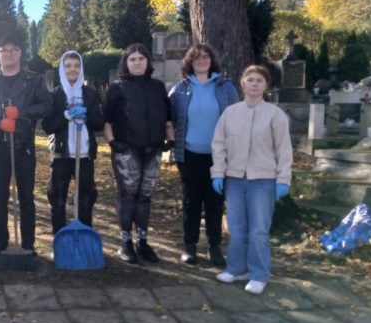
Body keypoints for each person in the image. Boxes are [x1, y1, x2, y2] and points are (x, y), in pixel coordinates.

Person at [211, 64, 293, 295]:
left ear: (266, 85)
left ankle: (259, 274)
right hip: (235, 180)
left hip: (263, 180)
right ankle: (236, 268)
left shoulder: (275, 114)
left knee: (259, 230)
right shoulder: (231, 113)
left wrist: (283, 179)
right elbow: (219, 144)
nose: (254, 84)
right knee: (237, 229)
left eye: (259, 80)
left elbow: (283, 149)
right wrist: (218, 173)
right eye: (250, 80)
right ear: (243, 83)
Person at [0, 30, 53, 258]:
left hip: (24, 147)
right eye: (4, 50)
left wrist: (21, 112)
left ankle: (28, 244)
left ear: (20, 53)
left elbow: (47, 105)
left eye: (13, 50)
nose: (8, 54)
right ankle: (1, 243)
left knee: (26, 197)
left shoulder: (33, 81)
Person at [104, 43, 174, 264]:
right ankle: (125, 242)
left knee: (145, 196)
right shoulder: (117, 88)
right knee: (128, 195)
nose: (137, 63)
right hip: (127, 150)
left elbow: (168, 116)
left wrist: (170, 139)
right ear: (126, 63)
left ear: (147, 62)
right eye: (132, 59)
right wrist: (113, 142)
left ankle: (142, 241)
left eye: (141, 59)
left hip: (153, 149)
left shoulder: (157, 87)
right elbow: (107, 120)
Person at [169, 44, 239, 267]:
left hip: (218, 156)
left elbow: (237, 118)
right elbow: (169, 119)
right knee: (191, 202)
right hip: (189, 154)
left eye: (205, 57)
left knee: (215, 203)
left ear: (211, 61)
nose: (201, 61)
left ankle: (214, 247)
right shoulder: (180, 89)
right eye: (196, 58)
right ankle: (189, 246)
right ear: (190, 62)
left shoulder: (225, 87)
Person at [42, 50, 105, 233]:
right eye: (68, 66)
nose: (72, 69)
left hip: (84, 155)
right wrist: (66, 116)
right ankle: (59, 235)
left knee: (86, 198)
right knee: (57, 198)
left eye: (76, 66)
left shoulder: (90, 94)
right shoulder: (55, 94)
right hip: (61, 155)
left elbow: (99, 124)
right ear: (62, 68)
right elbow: (47, 126)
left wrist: (86, 115)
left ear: (81, 68)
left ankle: (84, 234)